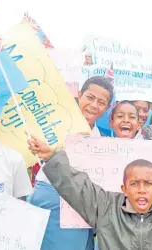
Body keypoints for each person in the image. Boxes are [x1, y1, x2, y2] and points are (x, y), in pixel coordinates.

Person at [29, 76, 114, 250]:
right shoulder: (51, 125)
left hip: (83, 209)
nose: (93, 106)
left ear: (107, 107)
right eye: (90, 98)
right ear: (80, 94)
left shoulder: (104, 142)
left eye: (101, 102)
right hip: (50, 201)